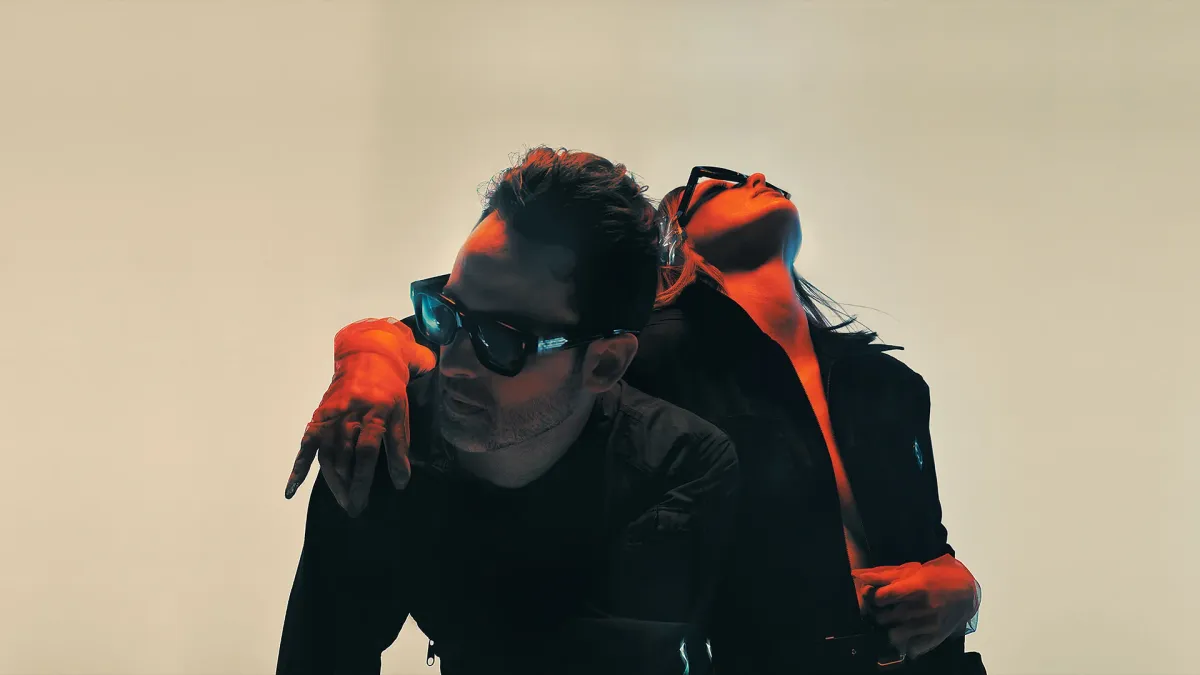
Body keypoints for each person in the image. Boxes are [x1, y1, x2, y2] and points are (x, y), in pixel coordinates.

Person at [286, 164, 985, 674]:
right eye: (712, 182)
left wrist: (966, 590)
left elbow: (928, 544)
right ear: (677, 235)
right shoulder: (641, 348)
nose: (755, 178)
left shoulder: (888, 383)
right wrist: (367, 357)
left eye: (758, 178)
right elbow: (459, 330)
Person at [277, 149, 740, 675]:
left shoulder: (677, 464)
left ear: (605, 364)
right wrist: (369, 350)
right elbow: (321, 655)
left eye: (502, 340)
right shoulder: (384, 442)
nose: (453, 362)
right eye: (447, 314)